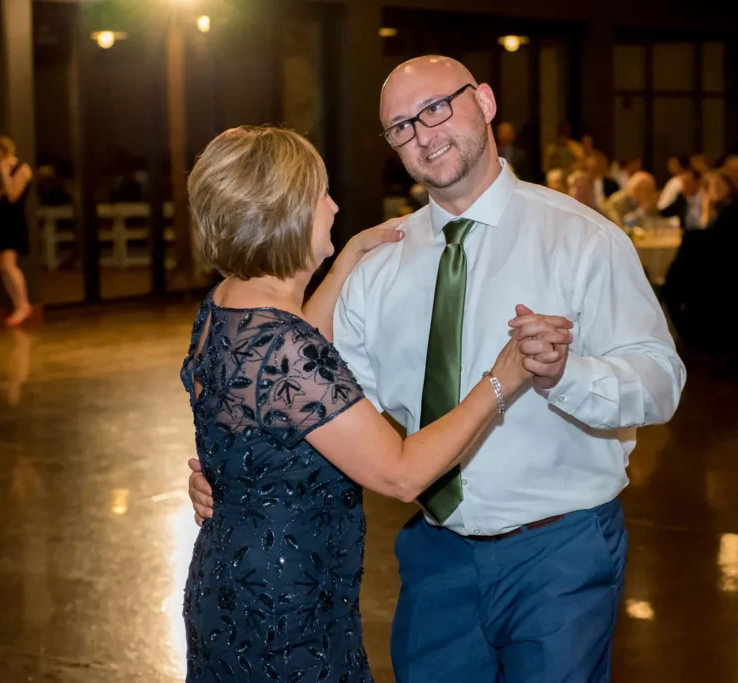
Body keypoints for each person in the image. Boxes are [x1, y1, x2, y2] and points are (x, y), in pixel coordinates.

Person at [190, 55, 686, 682]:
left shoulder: (582, 239)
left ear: (485, 101)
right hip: (436, 558)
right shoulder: (380, 261)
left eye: (436, 108)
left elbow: (661, 380)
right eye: (401, 126)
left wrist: (568, 377)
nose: (423, 133)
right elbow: (302, 391)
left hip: (559, 552)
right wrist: (230, 470)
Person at [179, 125, 558, 683]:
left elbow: (283, 370)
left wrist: (349, 256)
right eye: (320, 196)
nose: (333, 207)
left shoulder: (225, 307)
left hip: (229, 584)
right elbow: (402, 474)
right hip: (286, 616)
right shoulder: (284, 348)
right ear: (284, 216)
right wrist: (500, 380)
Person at [664, 171, 738, 360]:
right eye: (711, 186)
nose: (716, 190)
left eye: (720, 185)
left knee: (683, 263)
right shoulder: (711, 208)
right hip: (709, 268)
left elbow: (721, 240)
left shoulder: (736, 209)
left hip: (726, 271)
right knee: (681, 269)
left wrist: (692, 237)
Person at [0, 136, 34, 327]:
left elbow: (13, 196)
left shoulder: (22, 167)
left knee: (9, 265)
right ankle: (17, 304)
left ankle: (24, 304)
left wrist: (5, 173)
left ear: (2, 151)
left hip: (12, 221)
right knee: (1, 267)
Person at [658, 165, 703, 231]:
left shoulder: (704, 199)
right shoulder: (682, 198)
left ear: (697, 182)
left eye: (687, 183)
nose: (683, 187)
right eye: (682, 183)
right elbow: (666, 213)